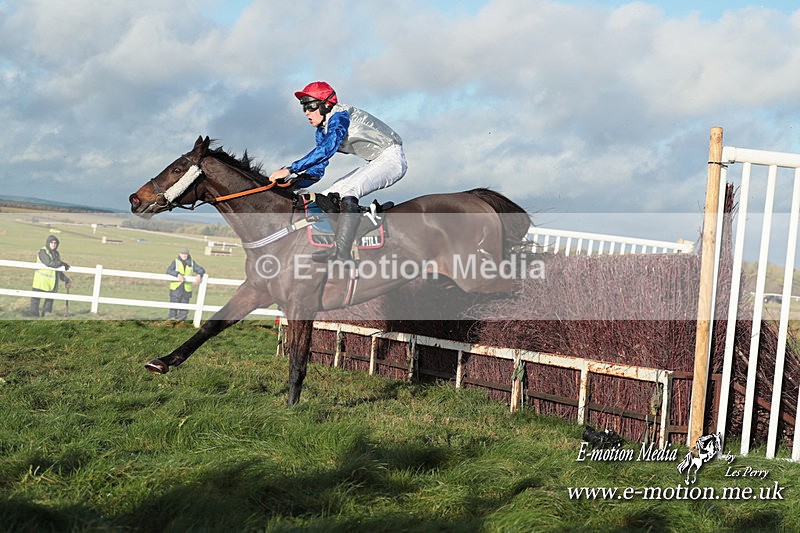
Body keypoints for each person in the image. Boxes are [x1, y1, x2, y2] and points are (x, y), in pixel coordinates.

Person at [269, 81, 407, 262]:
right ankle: (357, 227)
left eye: (311, 107)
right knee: (328, 195)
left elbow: (328, 148)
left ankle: (341, 253)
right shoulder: (321, 130)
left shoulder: (340, 116)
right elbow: (318, 169)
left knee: (350, 191)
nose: (307, 113)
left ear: (326, 105)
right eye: (304, 108)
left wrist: (289, 169)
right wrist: (293, 184)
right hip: (376, 161)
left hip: (392, 159)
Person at [28, 234, 71, 318]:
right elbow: (49, 263)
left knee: (49, 302)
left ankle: (46, 318)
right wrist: (61, 263)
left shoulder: (56, 254)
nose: (53, 244)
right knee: (35, 301)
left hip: (51, 284)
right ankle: (33, 318)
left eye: (55, 243)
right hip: (40, 282)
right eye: (51, 242)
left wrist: (65, 279)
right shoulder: (42, 251)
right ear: (48, 243)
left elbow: (57, 270)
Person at [166, 248, 206, 320]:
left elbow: (201, 270)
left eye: (186, 254)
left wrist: (199, 274)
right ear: (180, 254)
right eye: (183, 254)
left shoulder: (192, 263)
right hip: (176, 289)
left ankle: (181, 326)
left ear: (188, 254)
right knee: (173, 310)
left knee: (184, 311)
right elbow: (168, 270)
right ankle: (170, 324)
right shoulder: (175, 262)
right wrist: (177, 274)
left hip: (186, 290)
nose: (184, 255)